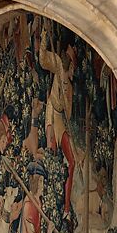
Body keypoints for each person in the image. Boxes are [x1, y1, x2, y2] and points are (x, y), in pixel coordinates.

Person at [39, 26, 78, 213]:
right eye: (71, 53)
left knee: (73, 161)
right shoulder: (58, 63)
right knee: (51, 153)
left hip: (61, 119)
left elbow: (68, 114)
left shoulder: (69, 86)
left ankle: (66, 206)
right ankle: (47, 202)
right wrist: (45, 36)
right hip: (51, 114)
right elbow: (42, 59)